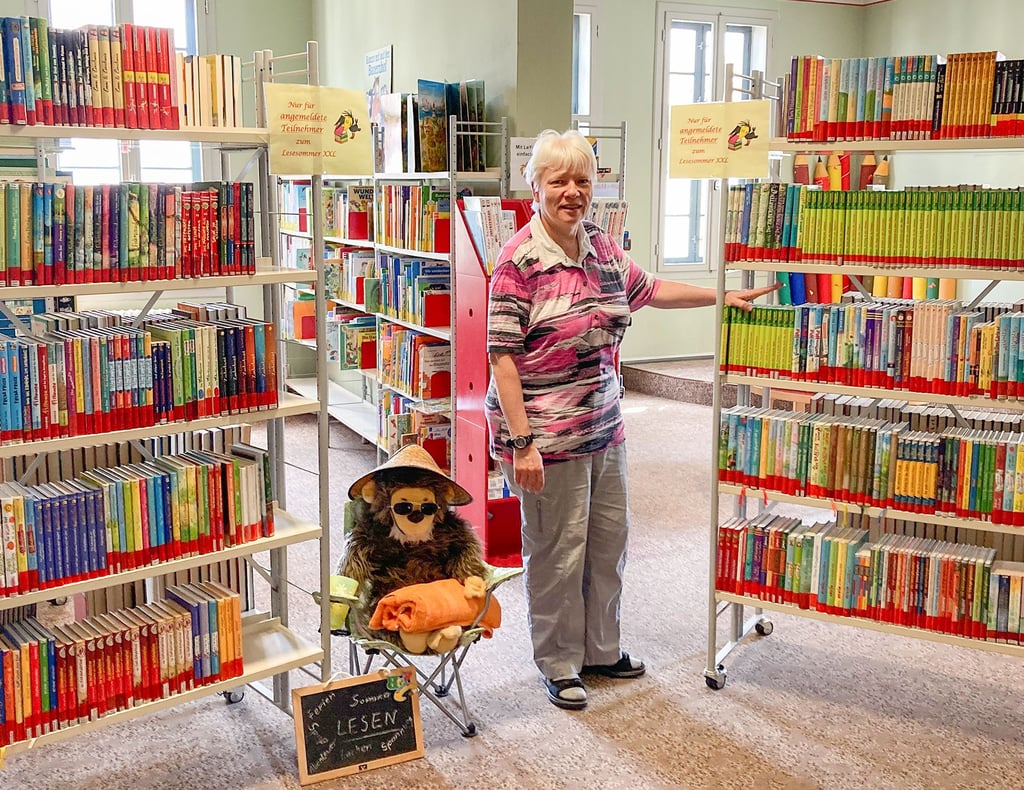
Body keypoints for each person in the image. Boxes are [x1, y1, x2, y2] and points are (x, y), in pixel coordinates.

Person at [485, 128, 779, 710]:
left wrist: (721, 296)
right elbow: (502, 358)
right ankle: (559, 661)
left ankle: (600, 648)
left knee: (607, 543)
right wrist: (522, 445)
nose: (572, 192)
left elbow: (649, 288)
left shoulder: (600, 245)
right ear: (535, 187)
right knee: (556, 550)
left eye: (582, 181)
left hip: (604, 426)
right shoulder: (517, 262)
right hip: (545, 436)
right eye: (558, 181)